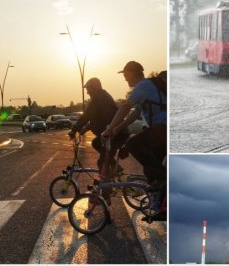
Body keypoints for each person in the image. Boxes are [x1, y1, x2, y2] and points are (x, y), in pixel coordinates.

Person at [102, 61, 167, 197]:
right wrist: (117, 128)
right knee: (150, 171)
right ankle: (161, 208)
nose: (124, 78)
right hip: (162, 130)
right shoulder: (148, 86)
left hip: (163, 128)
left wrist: (109, 129)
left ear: (132, 73)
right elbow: (136, 112)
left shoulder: (143, 85)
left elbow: (125, 107)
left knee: (133, 144)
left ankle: (163, 178)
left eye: (125, 74)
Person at [68, 78, 129, 201]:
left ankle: (106, 194)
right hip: (114, 134)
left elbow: (87, 115)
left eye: (88, 89)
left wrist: (74, 129)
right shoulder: (102, 97)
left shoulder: (98, 98)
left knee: (102, 162)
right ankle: (116, 169)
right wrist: (85, 129)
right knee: (96, 143)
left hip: (115, 134)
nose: (87, 92)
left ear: (95, 87)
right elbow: (100, 118)